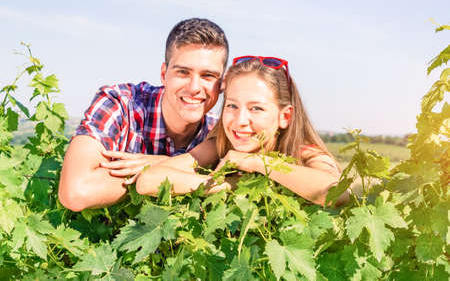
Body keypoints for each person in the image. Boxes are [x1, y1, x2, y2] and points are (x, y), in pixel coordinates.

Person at [58, 18, 229, 211]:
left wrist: (165, 166)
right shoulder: (121, 104)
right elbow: (76, 192)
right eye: (183, 72)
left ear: (222, 84)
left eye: (208, 76)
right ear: (164, 75)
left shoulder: (220, 133)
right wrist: (170, 172)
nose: (194, 88)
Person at [134, 56, 347, 206]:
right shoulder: (218, 146)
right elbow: (149, 180)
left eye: (256, 108)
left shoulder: (305, 153)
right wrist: (229, 184)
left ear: (285, 116)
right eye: (232, 106)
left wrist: (255, 163)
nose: (240, 121)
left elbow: (335, 193)